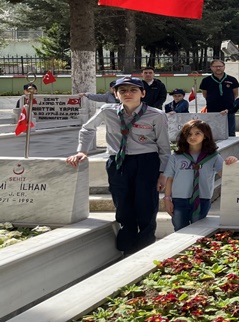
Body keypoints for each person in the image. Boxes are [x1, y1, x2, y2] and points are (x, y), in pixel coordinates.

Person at [65, 77, 170, 253]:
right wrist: (82, 150)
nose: (127, 94)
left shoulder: (156, 115)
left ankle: (146, 245)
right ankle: (127, 245)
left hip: (146, 161)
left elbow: (164, 147)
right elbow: (87, 128)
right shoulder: (108, 111)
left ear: (143, 93)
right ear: (115, 94)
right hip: (118, 162)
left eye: (133, 90)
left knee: (146, 204)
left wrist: (162, 173)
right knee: (122, 202)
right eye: (123, 91)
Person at [163, 120, 237, 231]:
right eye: (189, 134)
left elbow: (224, 174)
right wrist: (167, 198)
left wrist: (232, 162)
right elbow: (170, 179)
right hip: (179, 200)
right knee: (179, 229)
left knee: (198, 229)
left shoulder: (213, 157)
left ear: (205, 136)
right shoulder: (176, 157)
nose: (193, 137)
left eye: (197, 133)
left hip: (202, 199)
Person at [199, 59, 239, 136]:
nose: (218, 68)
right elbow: (205, 94)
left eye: (220, 66)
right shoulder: (206, 81)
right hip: (213, 110)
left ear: (224, 67)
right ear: (211, 67)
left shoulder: (232, 79)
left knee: (230, 132)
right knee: (213, 132)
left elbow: (235, 94)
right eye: (215, 66)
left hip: (229, 110)